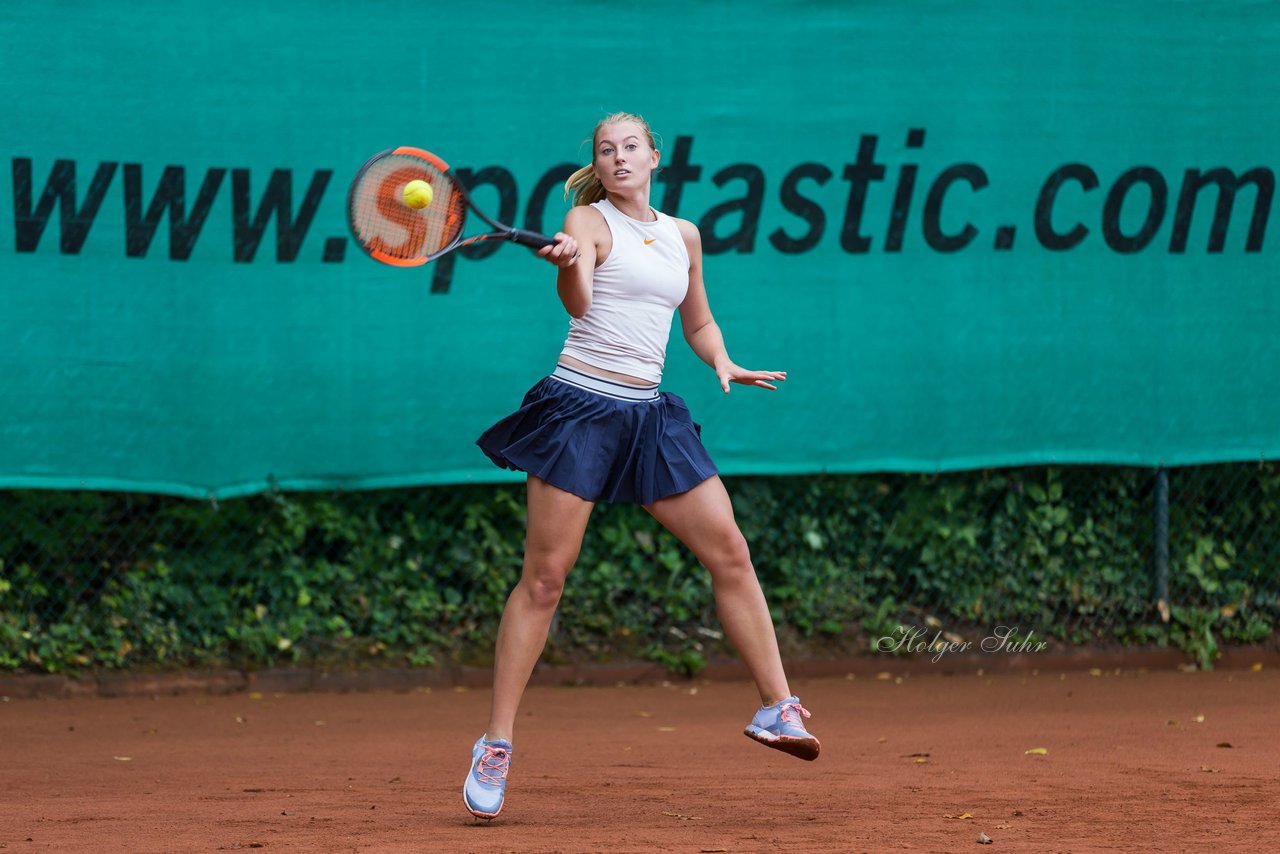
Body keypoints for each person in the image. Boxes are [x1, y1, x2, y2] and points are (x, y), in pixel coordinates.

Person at [463, 112, 820, 821]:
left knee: (731, 553)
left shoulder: (683, 234)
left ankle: (778, 708)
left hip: (650, 415)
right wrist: (569, 267)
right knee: (545, 579)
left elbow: (696, 322)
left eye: (631, 146)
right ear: (598, 163)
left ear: (654, 156)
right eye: (607, 149)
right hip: (581, 409)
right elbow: (581, 302)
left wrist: (723, 360)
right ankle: (495, 744)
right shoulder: (587, 222)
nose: (619, 156)